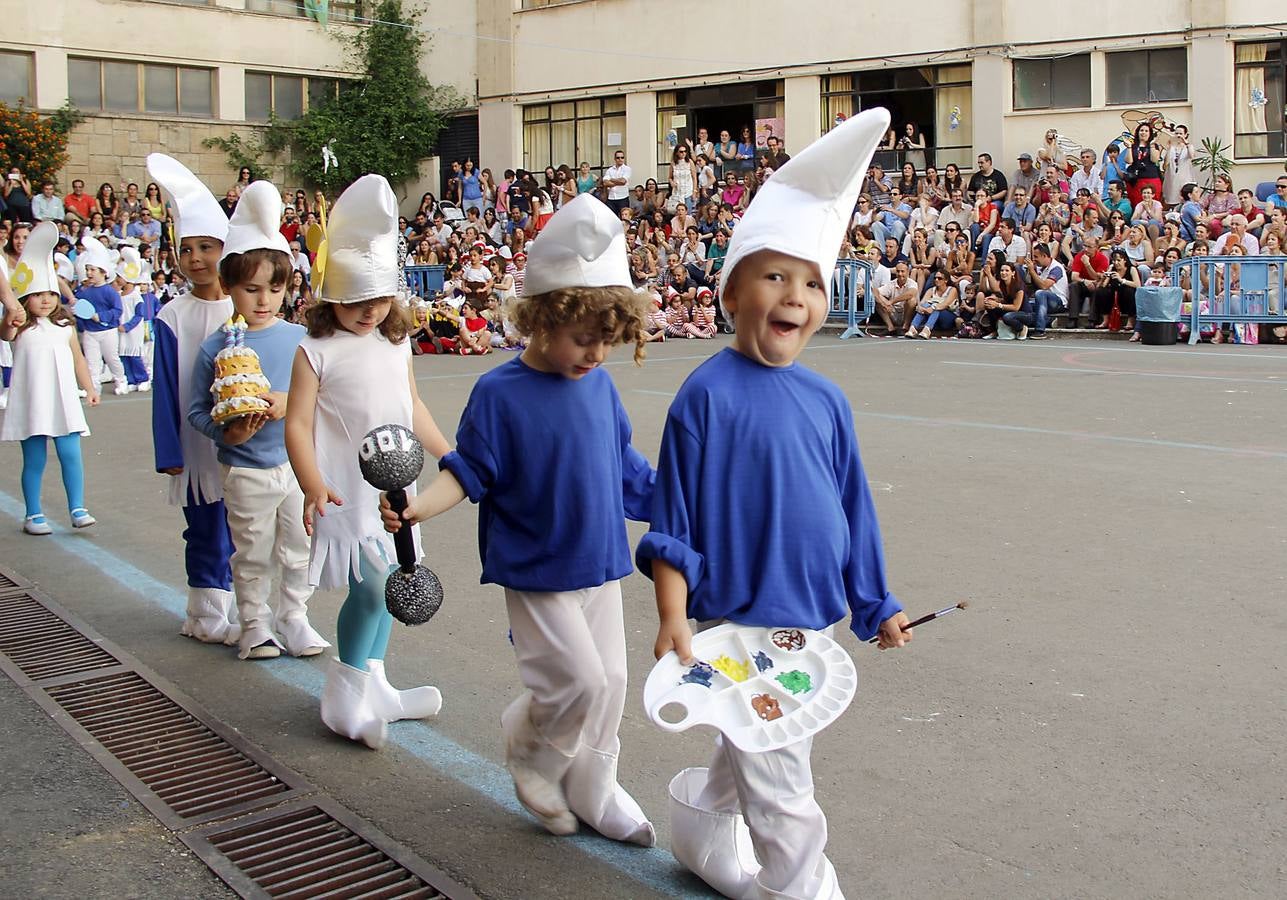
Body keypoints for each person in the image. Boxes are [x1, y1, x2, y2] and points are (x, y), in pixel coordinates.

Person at [636, 110, 908, 900]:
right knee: (783, 780)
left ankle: (697, 817)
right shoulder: (703, 396)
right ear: (730, 290)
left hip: (810, 622)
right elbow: (673, 524)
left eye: (813, 281)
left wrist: (874, 601)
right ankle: (798, 889)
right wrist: (672, 612)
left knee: (763, 745)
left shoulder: (827, 399)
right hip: (738, 624)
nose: (796, 295)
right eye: (775, 276)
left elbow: (854, 509)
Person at [381, 193, 657, 845]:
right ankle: (533, 751)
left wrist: (683, 500)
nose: (596, 353)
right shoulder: (499, 393)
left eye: (608, 340)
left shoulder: (599, 384)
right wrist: (417, 505)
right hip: (536, 568)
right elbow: (468, 472)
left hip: (600, 562)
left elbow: (625, 465)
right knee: (577, 681)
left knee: (611, 682)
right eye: (583, 338)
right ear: (541, 317)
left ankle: (595, 786)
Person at [284, 174, 450, 748]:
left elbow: (412, 405)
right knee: (372, 584)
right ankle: (342, 693)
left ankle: (374, 682)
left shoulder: (396, 341)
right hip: (345, 490)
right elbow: (298, 424)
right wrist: (311, 483)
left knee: (394, 579)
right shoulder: (315, 351)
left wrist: (450, 452)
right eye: (356, 302)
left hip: (395, 489)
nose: (370, 311)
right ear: (331, 296)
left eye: (380, 300)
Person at [186, 182, 330, 661]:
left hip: (295, 466)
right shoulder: (216, 347)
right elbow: (195, 411)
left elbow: (325, 394)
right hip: (244, 467)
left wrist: (293, 401)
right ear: (229, 287)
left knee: (298, 546)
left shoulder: (301, 339)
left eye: (275, 287)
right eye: (251, 289)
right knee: (250, 551)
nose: (264, 299)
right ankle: (254, 624)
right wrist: (225, 431)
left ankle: (294, 617)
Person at [147, 153, 239, 644]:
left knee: (244, 527)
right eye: (187, 249)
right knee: (204, 524)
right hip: (194, 441)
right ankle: (205, 612)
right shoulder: (171, 316)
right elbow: (164, 386)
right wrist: (169, 451)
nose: (196, 258)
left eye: (207, 247)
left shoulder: (245, 307)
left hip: (242, 442)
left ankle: (248, 609)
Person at [1, 221, 99, 534]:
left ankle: (78, 507)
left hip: (64, 400)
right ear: (24, 298)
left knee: (71, 455)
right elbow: (6, 332)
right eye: (37, 295)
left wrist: (89, 387)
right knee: (34, 460)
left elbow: (78, 359)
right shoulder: (21, 327)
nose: (45, 300)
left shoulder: (65, 328)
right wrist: (9, 311)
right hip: (33, 401)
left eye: (50, 295)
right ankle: (33, 514)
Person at [73, 233, 130, 395]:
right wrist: (77, 314)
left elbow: (117, 310)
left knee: (112, 358)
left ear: (103, 272)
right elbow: (79, 309)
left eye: (92, 270)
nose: (89, 273)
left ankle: (121, 380)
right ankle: (93, 386)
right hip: (90, 332)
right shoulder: (84, 292)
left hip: (108, 331)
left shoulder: (110, 292)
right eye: (87, 270)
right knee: (92, 362)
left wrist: (101, 316)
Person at [114, 246, 152, 391]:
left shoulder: (136, 296)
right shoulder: (119, 295)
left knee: (135, 356)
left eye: (119, 277)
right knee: (124, 355)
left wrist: (127, 326)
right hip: (120, 329)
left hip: (132, 331)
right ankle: (130, 380)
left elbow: (139, 314)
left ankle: (142, 378)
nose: (117, 280)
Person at [1010, 242, 1067, 338]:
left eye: (1036, 257)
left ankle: (1040, 330)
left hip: (1058, 302)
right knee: (1024, 303)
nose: (1034, 260)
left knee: (1040, 293)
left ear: (1044, 256)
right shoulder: (1040, 267)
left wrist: (1032, 271)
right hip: (1042, 302)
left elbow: (1044, 286)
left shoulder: (1056, 268)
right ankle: (1048, 321)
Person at [1067, 235, 1110, 328]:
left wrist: (1087, 264)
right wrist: (1084, 281)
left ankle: (1093, 320)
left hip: (1096, 284)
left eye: (1089, 247)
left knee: (1098, 289)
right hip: (1083, 283)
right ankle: (1073, 319)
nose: (1086, 249)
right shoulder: (1079, 256)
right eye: (1084, 246)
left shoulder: (1102, 259)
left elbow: (1098, 278)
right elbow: (1074, 276)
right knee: (1074, 286)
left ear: (1096, 248)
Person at [906, 269, 959, 338]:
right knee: (925, 306)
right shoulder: (931, 290)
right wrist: (920, 307)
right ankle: (913, 328)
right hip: (933, 318)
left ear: (946, 280)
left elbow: (946, 304)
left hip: (949, 318)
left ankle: (927, 329)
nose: (936, 280)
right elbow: (922, 303)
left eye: (940, 278)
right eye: (935, 278)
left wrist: (932, 308)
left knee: (936, 307)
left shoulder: (952, 290)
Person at [1162, 124, 1196, 206]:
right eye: (1176, 133)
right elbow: (1165, 164)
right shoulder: (1171, 147)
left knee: (1185, 199)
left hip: (1185, 178)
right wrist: (1169, 147)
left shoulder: (1189, 146)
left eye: (1181, 134)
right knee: (1171, 200)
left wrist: (1186, 143)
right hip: (1172, 178)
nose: (1178, 136)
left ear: (1185, 134)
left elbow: (1192, 156)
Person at [603, 151, 632, 218]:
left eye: (622, 157)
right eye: (618, 157)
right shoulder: (610, 170)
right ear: (615, 159)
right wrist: (618, 182)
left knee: (625, 218)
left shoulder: (627, 169)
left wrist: (611, 179)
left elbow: (623, 181)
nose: (620, 159)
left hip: (623, 197)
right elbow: (605, 183)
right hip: (611, 198)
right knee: (612, 218)